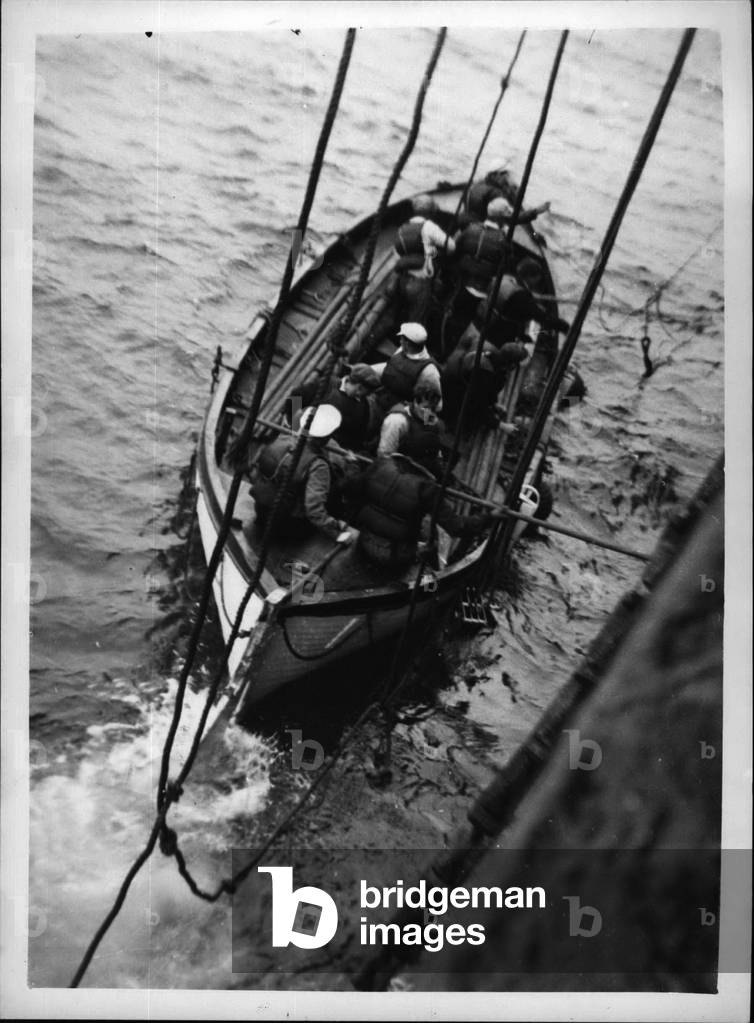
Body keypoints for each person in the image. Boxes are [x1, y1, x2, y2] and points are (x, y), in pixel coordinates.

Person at [346, 454, 493, 571]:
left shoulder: (380, 465)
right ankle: (433, 586)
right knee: (431, 549)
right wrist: (490, 516)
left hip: (364, 542)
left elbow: (350, 486)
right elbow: (457, 527)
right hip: (394, 558)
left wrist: (352, 464)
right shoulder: (427, 488)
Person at [249, 405, 353, 542]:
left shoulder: (281, 439)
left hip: (260, 508)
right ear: (327, 436)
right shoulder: (319, 466)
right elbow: (314, 512)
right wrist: (336, 531)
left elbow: (255, 473)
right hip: (287, 524)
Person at [391, 194, 456, 328]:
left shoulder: (402, 228)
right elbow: (451, 247)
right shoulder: (429, 226)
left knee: (401, 316)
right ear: (430, 212)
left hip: (403, 281)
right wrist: (436, 254)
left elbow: (397, 254)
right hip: (420, 283)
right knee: (417, 323)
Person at [442, 332, 528, 428]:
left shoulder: (491, 350)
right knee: (470, 422)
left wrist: (494, 404)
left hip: (452, 372)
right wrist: (502, 425)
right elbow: (478, 406)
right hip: (449, 394)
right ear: (511, 365)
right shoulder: (484, 373)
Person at [287, 363, 380, 451]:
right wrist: (295, 427)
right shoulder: (327, 384)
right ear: (359, 388)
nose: (360, 396)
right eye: (363, 392)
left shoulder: (363, 408)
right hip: (298, 438)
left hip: (325, 450)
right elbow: (296, 396)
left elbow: (356, 438)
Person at [371, 322, 443, 414]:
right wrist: (368, 370)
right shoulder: (402, 350)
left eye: (402, 339)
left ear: (407, 343)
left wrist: (421, 423)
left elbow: (434, 406)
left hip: (402, 412)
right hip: (384, 398)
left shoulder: (429, 372)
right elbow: (389, 367)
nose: (400, 341)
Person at [377, 384, 446, 476]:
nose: (428, 413)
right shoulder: (396, 421)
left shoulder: (431, 419)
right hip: (399, 474)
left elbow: (437, 453)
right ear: (415, 402)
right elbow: (385, 456)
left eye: (432, 409)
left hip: (424, 473)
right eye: (425, 408)